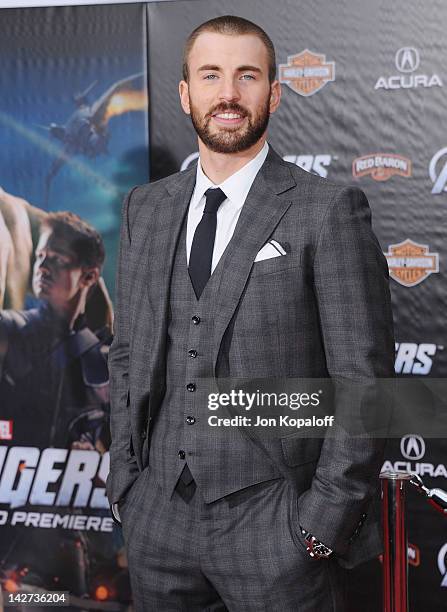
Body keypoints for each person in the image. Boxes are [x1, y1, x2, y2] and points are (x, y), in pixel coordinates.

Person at [107, 15, 395, 611]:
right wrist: (125, 488)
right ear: (186, 93)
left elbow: (364, 383)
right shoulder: (145, 208)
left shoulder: (327, 210)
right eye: (211, 75)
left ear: (275, 93)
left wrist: (321, 521)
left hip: (277, 525)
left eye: (247, 76)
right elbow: (128, 355)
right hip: (157, 519)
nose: (229, 94)